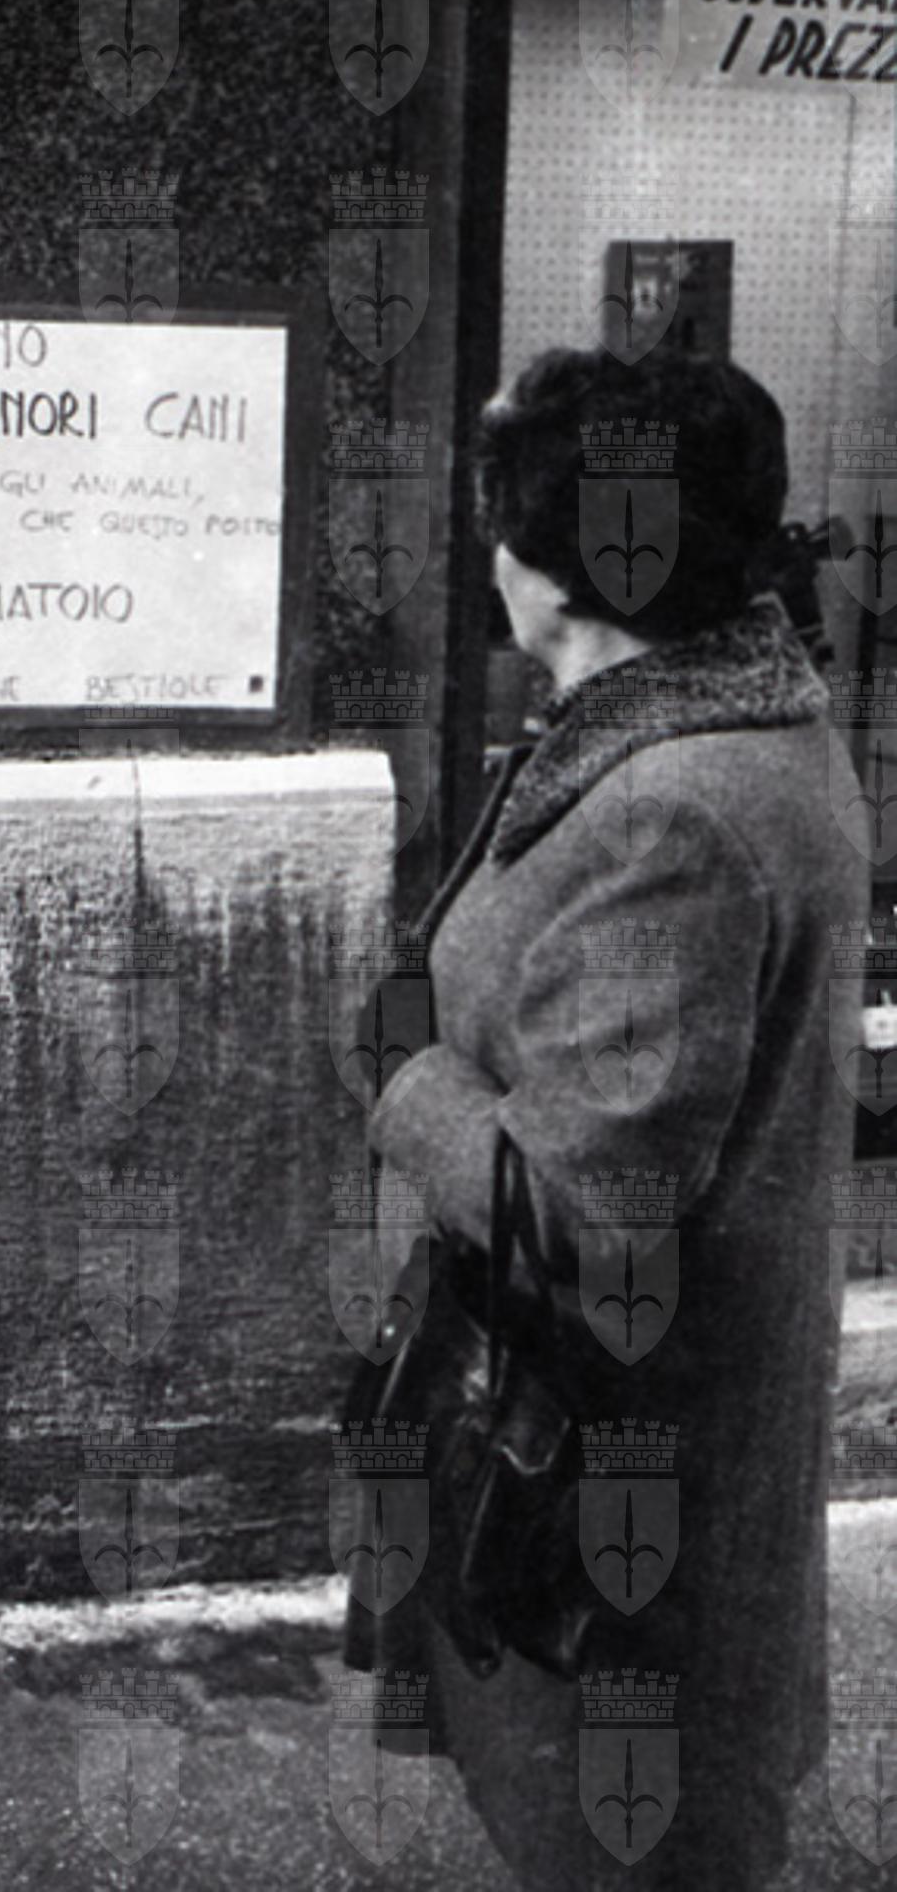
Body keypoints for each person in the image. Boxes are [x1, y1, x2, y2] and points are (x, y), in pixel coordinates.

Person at [360, 346, 866, 1888]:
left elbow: (589, 1216)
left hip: (610, 1489)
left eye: (498, 527)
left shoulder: (677, 811)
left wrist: (406, 1079)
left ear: (553, 571)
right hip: (607, 1446)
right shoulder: (693, 735)